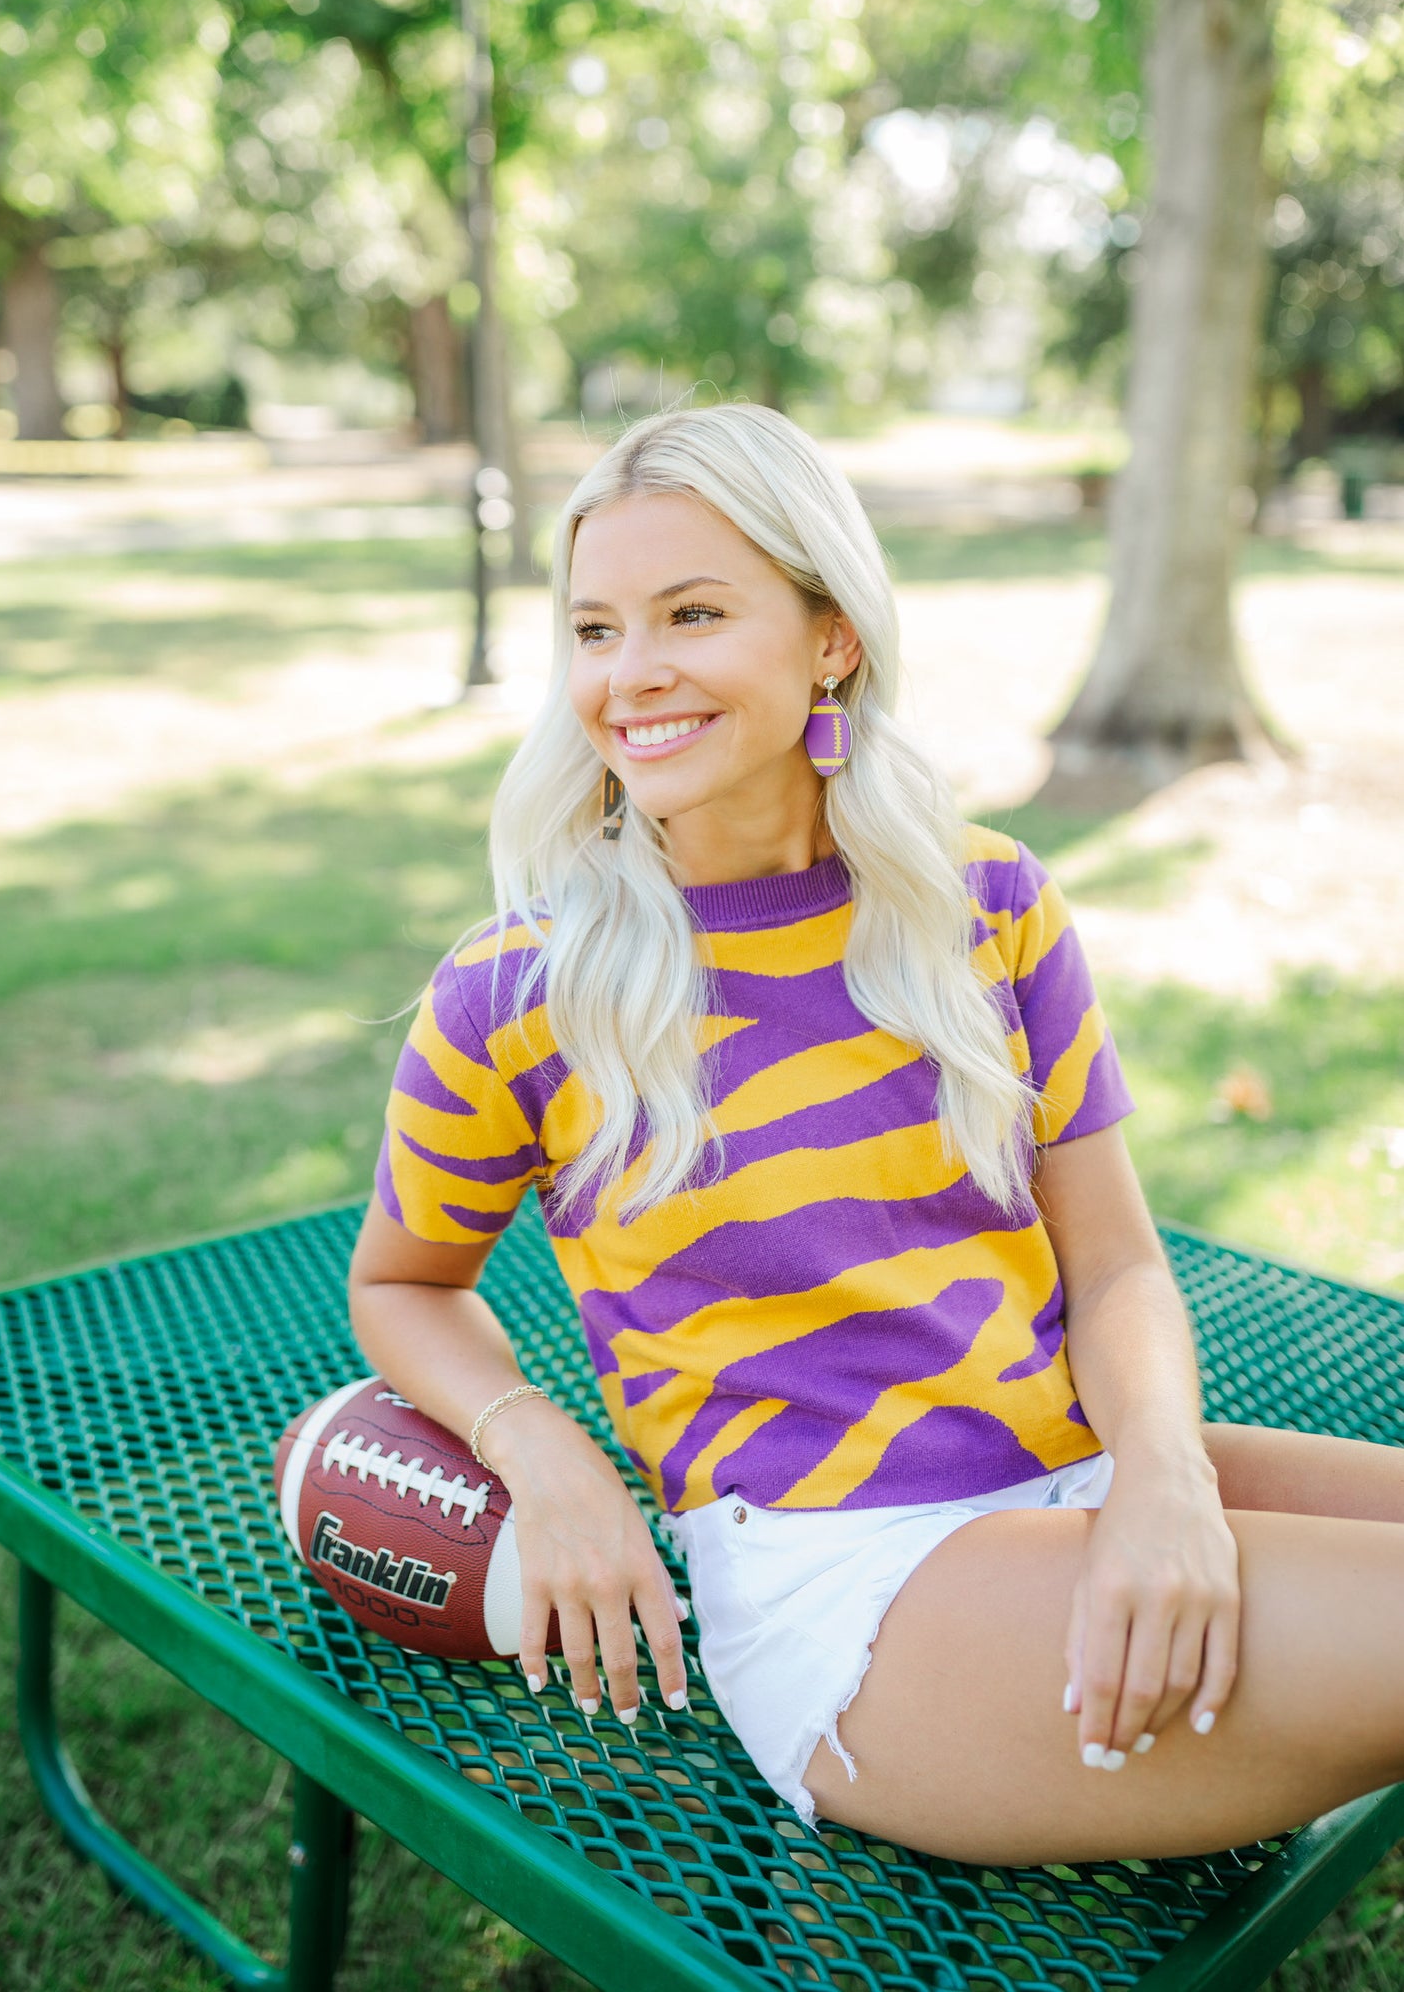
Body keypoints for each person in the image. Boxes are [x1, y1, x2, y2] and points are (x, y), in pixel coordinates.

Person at [349, 400, 1404, 1867]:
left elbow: (1114, 1266)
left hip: (1081, 1472)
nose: (629, 673)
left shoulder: (989, 903)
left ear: (830, 635)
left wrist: (1165, 1480)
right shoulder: (516, 990)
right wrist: (546, 1452)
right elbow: (402, 1282)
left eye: (692, 614)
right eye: (594, 630)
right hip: (851, 1588)